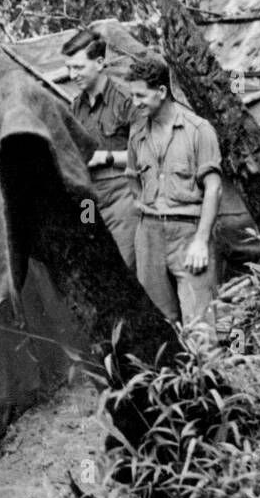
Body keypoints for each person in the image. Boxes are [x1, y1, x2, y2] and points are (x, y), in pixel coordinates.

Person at [125, 53, 224, 349]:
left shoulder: (198, 130)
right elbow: (133, 179)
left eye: (141, 95)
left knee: (200, 325)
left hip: (189, 235)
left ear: (162, 92)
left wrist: (201, 241)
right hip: (149, 236)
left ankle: (209, 391)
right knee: (158, 324)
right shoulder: (137, 134)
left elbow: (214, 188)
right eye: (132, 96)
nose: (136, 102)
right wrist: (146, 219)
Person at [62, 27, 139, 270]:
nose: (72, 75)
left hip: (123, 197)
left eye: (78, 67)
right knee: (96, 267)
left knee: (123, 271)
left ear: (99, 62)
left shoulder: (125, 99)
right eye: (69, 68)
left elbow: (150, 156)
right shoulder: (76, 107)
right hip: (90, 204)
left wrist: (105, 158)